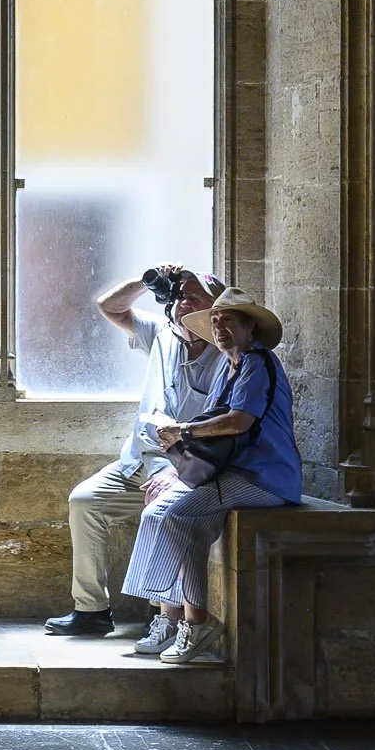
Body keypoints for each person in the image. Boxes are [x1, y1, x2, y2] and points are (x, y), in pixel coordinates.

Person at [122, 286, 303, 667]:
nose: (219, 328)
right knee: (158, 511)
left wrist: (182, 431)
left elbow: (238, 422)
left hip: (265, 477)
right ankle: (168, 618)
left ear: (249, 328)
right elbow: (210, 427)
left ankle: (197, 623)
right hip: (234, 471)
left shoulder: (258, 362)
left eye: (228, 321)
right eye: (215, 321)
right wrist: (175, 470)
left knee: (180, 516)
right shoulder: (230, 367)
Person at [43, 263, 226, 638]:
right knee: (85, 501)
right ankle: (91, 610)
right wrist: (151, 278)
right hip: (139, 463)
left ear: (214, 309)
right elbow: (109, 306)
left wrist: (175, 470)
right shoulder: (161, 333)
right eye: (179, 296)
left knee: (165, 514)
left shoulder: (226, 356)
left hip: (189, 470)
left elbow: (224, 427)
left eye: (195, 297)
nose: (183, 303)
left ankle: (163, 611)